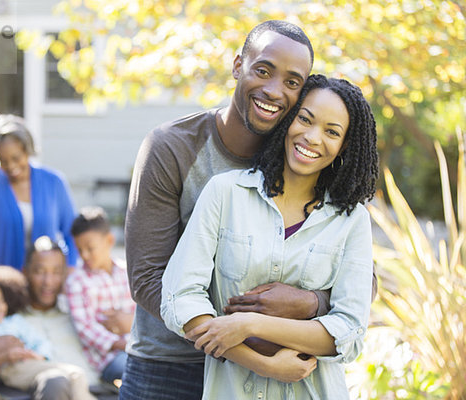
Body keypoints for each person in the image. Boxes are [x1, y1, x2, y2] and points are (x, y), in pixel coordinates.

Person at [121, 20, 321, 400]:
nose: (273, 90)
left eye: (292, 82)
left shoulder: (304, 161)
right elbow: (147, 278)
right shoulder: (172, 148)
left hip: (266, 379)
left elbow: (359, 278)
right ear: (237, 66)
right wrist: (244, 345)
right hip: (170, 369)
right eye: (262, 70)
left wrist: (311, 302)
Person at [161, 74, 379, 399]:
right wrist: (263, 364)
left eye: (331, 132)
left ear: (344, 145)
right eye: (305, 119)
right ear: (289, 119)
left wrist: (250, 325)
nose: (312, 138)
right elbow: (180, 299)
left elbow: (348, 332)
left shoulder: (352, 219)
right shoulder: (226, 193)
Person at [0, 236, 99, 389]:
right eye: (40, 272)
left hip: (96, 391)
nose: (48, 281)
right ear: (26, 273)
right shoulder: (8, 322)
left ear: (65, 275)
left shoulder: (79, 315)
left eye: (56, 272)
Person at [0, 265, 95, 400]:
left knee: (67, 378)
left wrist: (38, 354)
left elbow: (40, 342)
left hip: (33, 365)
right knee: (75, 375)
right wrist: (1, 358)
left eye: (1, 301)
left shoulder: (14, 322)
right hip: (9, 371)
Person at [0, 114, 78, 272]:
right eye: (3, 160)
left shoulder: (54, 183)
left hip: (42, 284)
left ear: (28, 150)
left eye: (16, 158)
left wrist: (69, 268)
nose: (11, 166)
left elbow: (72, 232)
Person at [67, 207, 136, 390]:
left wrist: (130, 325)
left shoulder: (127, 272)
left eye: (90, 248)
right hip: (108, 359)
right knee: (137, 369)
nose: (85, 255)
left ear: (109, 240)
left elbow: (140, 313)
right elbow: (85, 328)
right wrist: (120, 343)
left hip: (138, 347)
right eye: (80, 250)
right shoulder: (76, 282)